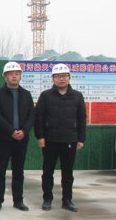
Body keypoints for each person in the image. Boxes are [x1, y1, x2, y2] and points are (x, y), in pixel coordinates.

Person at [34, 63, 86, 212]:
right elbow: (39, 118)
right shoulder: (45, 96)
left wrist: (81, 138)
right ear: (53, 78)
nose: (61, 79)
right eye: (58, 76)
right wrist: (40, 136)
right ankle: (47, 199)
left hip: (70, 139)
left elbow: (82, 118)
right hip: (50, 140)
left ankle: (67, 200)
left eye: (64, 76)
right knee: (48, 171)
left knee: (68, 173)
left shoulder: (77, 96)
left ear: (69, 78)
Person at [0, 62, 34, 212]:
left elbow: (31, 116)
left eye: (17, 74)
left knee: (18, 171)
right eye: (10, 74)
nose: (14, 76)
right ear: (5, 77)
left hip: (22, 139)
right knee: (0, 170)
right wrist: (11, 131)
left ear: (20, 76)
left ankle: (18, 200)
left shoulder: (26, 94)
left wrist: (24, 131)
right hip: (4, 138)